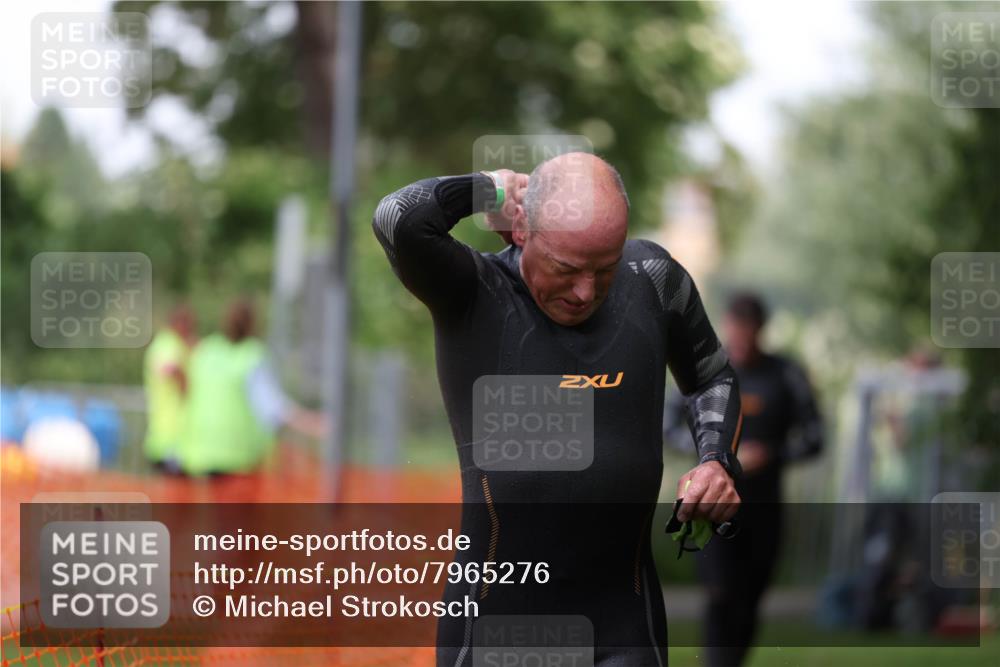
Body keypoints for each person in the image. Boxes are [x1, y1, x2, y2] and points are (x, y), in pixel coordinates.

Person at [374, 153, 743, 666]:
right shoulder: (473, 292)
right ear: (522, 228)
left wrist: (716, 459)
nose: (585, 292)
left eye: (604, 270)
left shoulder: (654, 278)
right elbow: (400, 217)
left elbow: (711, 376)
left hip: (625, 626)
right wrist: (493, 191)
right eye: (566, 269)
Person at [665, 291, 824, 666]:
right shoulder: (704, 372)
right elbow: (668, 427)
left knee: (751, 596)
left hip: (765, 507)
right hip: (713, 506)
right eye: (735, 329)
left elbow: (815, 438)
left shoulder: (785, 374)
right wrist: (711, 459)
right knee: (720, 593)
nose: (740, 339)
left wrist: (772, 455)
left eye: (748, 331)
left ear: (761, 330)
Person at [177, 299, 326, 477]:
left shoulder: (206, 351)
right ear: (252, 325)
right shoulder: (252, 356)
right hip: (238, 460)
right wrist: (315, 423)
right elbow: (275, 409)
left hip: (197, 457)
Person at [143, 304, 196, 473]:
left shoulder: (165, 343)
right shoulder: (169, 343)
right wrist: (189, 385)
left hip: (166, 436)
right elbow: (171, 369)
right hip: (171, 438)